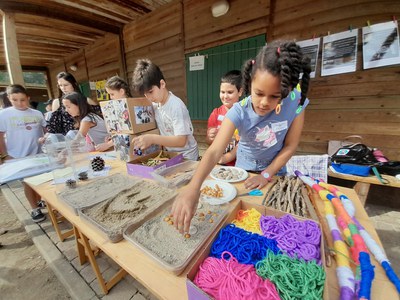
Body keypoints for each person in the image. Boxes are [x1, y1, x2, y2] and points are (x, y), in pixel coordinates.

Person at [172, 40, 312, 233]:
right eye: (259, 93)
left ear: (286, 91)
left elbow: (291, 145)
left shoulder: (296, 101)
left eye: (274, 96)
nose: (264, 103)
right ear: (248, 85)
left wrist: (266, 174)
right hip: (243, 173)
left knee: (272, 224)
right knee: (244, 222)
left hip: (275, 174)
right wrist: (193, 187)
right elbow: (214, 151)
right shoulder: (239, 110)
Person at [131, 59, 199, 161]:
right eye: (145, 94)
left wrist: (152, 138)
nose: (149, 97)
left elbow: (181, 141)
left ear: (162, 84)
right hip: (171, 155)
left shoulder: (176, 106)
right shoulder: (155, 105)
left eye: (151, 92)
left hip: (187, 157)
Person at [0, 84, 47, 222]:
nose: (19, 103)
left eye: (22, 100)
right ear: (9, 98)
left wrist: (46, 139)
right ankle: (34, 209)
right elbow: (0, 136)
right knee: (27, 181)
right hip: (17, 155)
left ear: (28, 98)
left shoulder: (37, 114)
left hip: (38, 154)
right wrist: (4, 155)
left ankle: (38, 201)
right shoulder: (4, 114)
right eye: (15, 100)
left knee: (39, 180)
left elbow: (46, 131)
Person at [207, 70, 243, 166]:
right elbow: (209, 142)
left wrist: (228, 157)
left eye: (230, 92)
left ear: (240, 92)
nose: (225, 96)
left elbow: (245, 143)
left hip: (239, 165)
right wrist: (210, 137)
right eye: (222, 92)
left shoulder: (245, 115)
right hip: (219, 163)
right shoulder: (215, 114)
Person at [95, 76, 133, 152]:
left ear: (122, 91)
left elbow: (129, 132)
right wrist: (112, 137)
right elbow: (119, 130)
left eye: (112, 94)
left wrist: (108, 144)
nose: (110, 97)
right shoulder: (120, 107)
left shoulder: (129, 108)